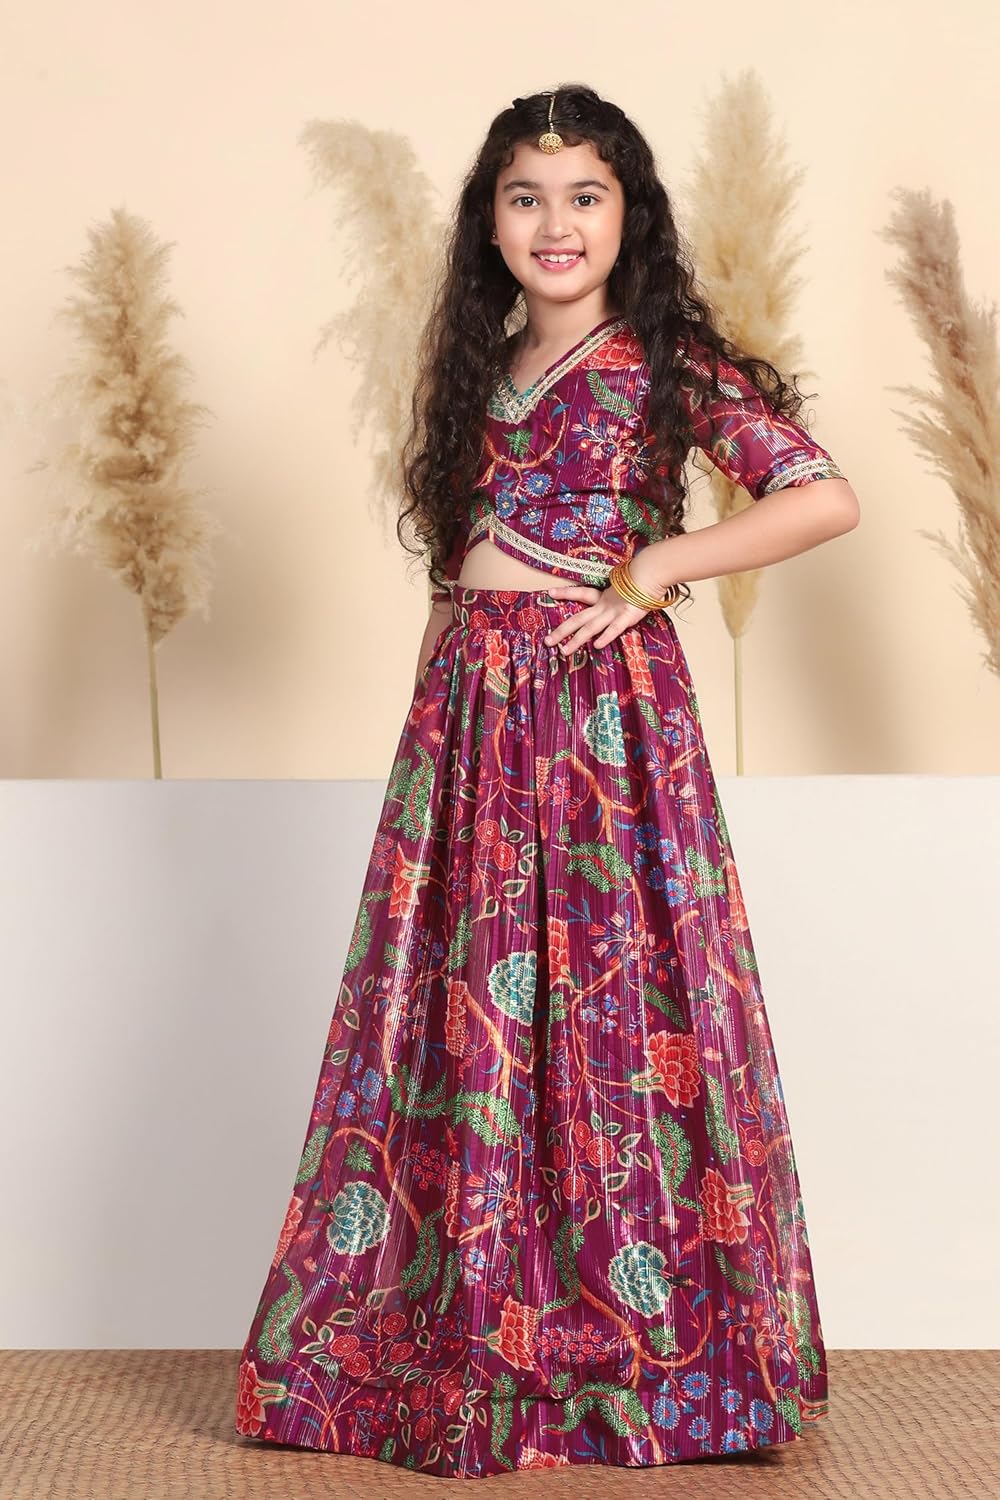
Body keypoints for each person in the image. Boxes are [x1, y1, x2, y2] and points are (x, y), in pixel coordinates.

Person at [235, 85, 859, 1477]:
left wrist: (655, 570)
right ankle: (470, 1333)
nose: (555, 223)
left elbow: (822, 495)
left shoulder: (664, 359)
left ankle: (640, 1354)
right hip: (469, 717)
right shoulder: (481, 362)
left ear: (631, 216)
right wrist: (428, 718)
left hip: (601, 721)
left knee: (613, 1004)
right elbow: (457, 561)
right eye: (526, 197)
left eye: (586, 195)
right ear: (490, 220)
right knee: (459, 1010)